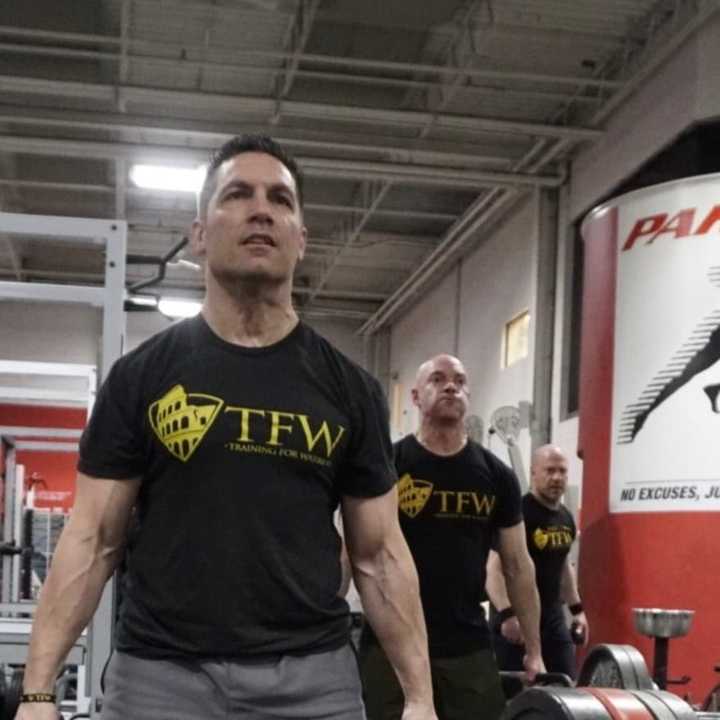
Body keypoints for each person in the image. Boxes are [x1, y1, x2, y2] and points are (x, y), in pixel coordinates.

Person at [17, 135, 438, 720]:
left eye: (280, 200)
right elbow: (93, 539)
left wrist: (420, 698)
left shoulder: (350, 389)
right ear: (199, 234)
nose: (260, 209)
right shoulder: (141, 377)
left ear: (301, 239)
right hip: (161, 680)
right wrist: (38, 693)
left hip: (312, 683)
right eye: (237, 194)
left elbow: (380, 555)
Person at [359, 354, 544, 720]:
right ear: (415, 397)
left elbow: (518, 565)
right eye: (438, 379)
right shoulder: (388, 466)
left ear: (468, 395)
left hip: (466, 644)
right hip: (391, 644)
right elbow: (359, 554)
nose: (450, 386)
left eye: (459, 380)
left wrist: (534, 649)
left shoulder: (497, 476)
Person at [487, 444, 589, 680]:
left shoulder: (565, 516)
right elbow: (492, 571)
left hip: (552, 619)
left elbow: (563, 565)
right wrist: (507, 614)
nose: (557, 478)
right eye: (550, 470)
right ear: (533, 473)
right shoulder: (518, 513)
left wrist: (577, 611)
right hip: (517, 621)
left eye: (562, 471)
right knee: (516, 698)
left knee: (565, 687)